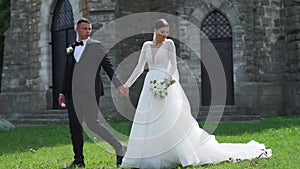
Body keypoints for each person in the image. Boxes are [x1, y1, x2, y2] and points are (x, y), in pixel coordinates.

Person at [120, 19, 272, 168]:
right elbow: (140, 68)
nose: (165, 35)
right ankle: (150, 156)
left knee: (169, 120)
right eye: (162, 32)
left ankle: (178, 153)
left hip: (164, 85)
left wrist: (167, 83)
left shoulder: (169, 44)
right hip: (149, 85)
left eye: (167, 32)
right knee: (148, 120)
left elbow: (173, 66)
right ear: (155, 30)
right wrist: (126, 85)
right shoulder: (146, 46)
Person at [58, 18, 128, 168]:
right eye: (85, 29)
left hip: (90, 92)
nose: (88, 32)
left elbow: (108, 66)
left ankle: (120, 148)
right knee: (74, 127)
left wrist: (119, 84)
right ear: (77, 29)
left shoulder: (96, 46)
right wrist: (62, 92)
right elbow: (67, 72)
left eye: (90, 29)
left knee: (93, 124)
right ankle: (79, 160)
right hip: (73, 94)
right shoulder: (71, 48)